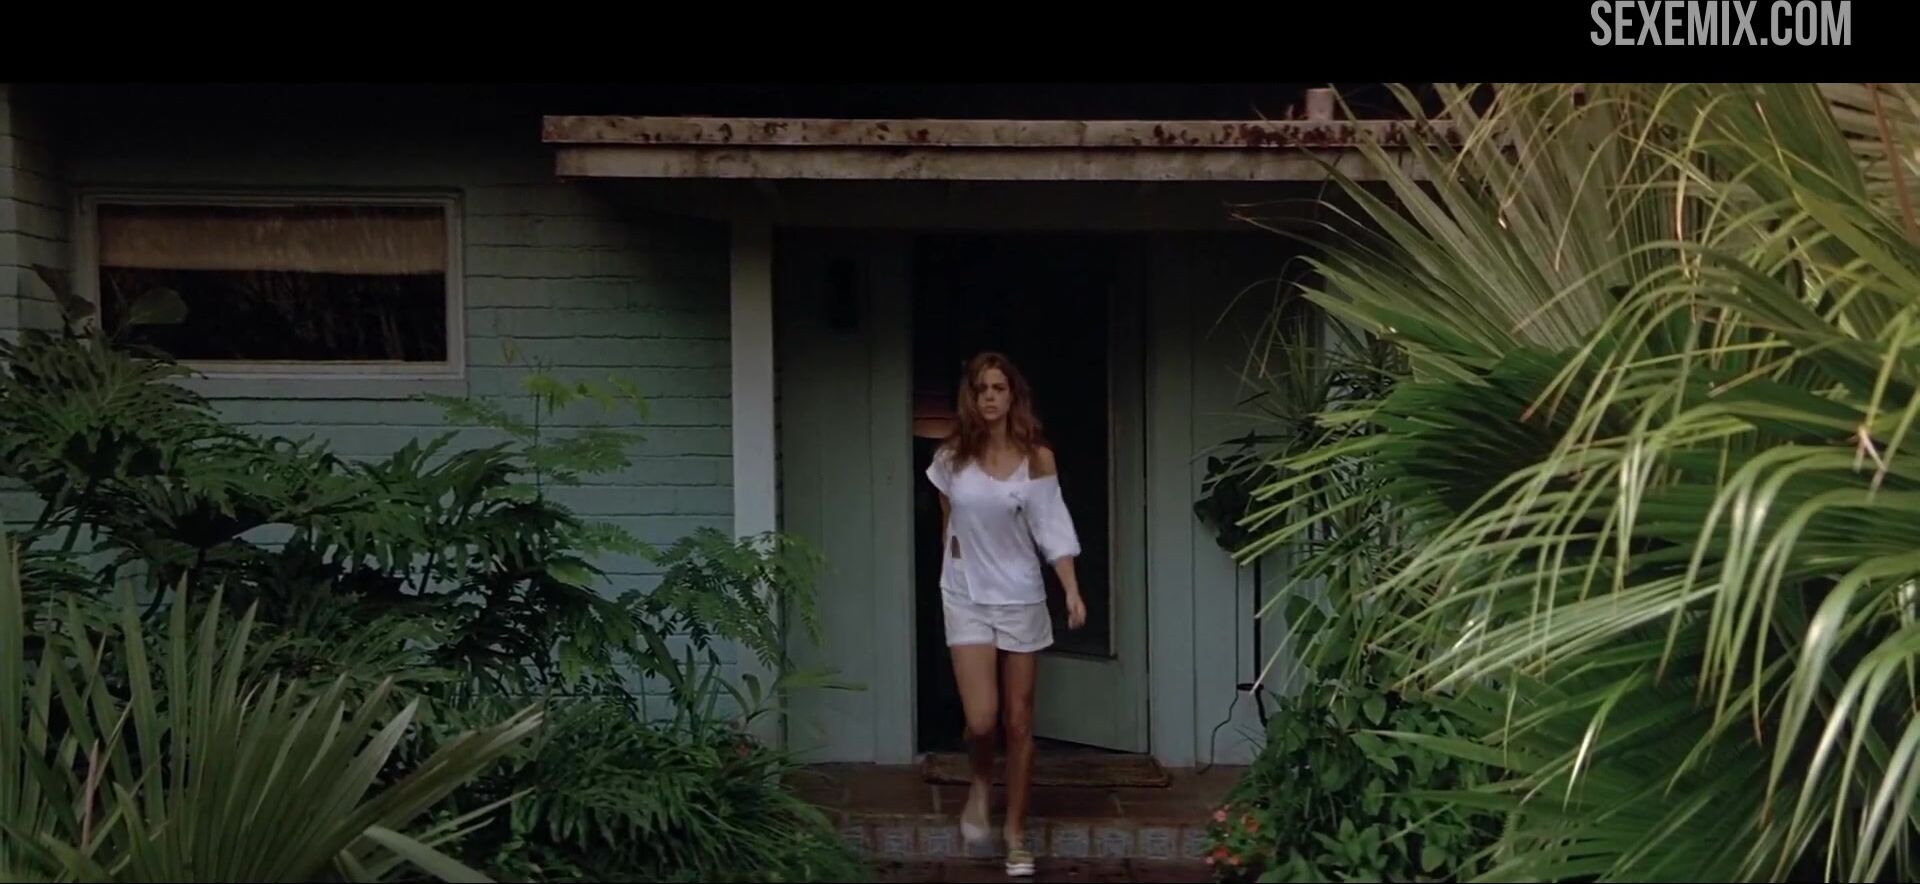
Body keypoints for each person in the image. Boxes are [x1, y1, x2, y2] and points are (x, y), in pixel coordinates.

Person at [923, 351, 1086, 879]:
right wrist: (952, 571)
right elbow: (948, 524)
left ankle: (1016, 833)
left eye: (998, 388)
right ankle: (978, 785)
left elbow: (1052, 527)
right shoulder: (951, 458)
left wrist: (1071, 590)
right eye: (981, 389)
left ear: (1012, 396)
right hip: (966, 594)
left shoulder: (1037, 459)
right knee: (982, 720)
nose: (990, 397)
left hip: (1020, 596)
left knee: (1018, 722)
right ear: (970, 398)